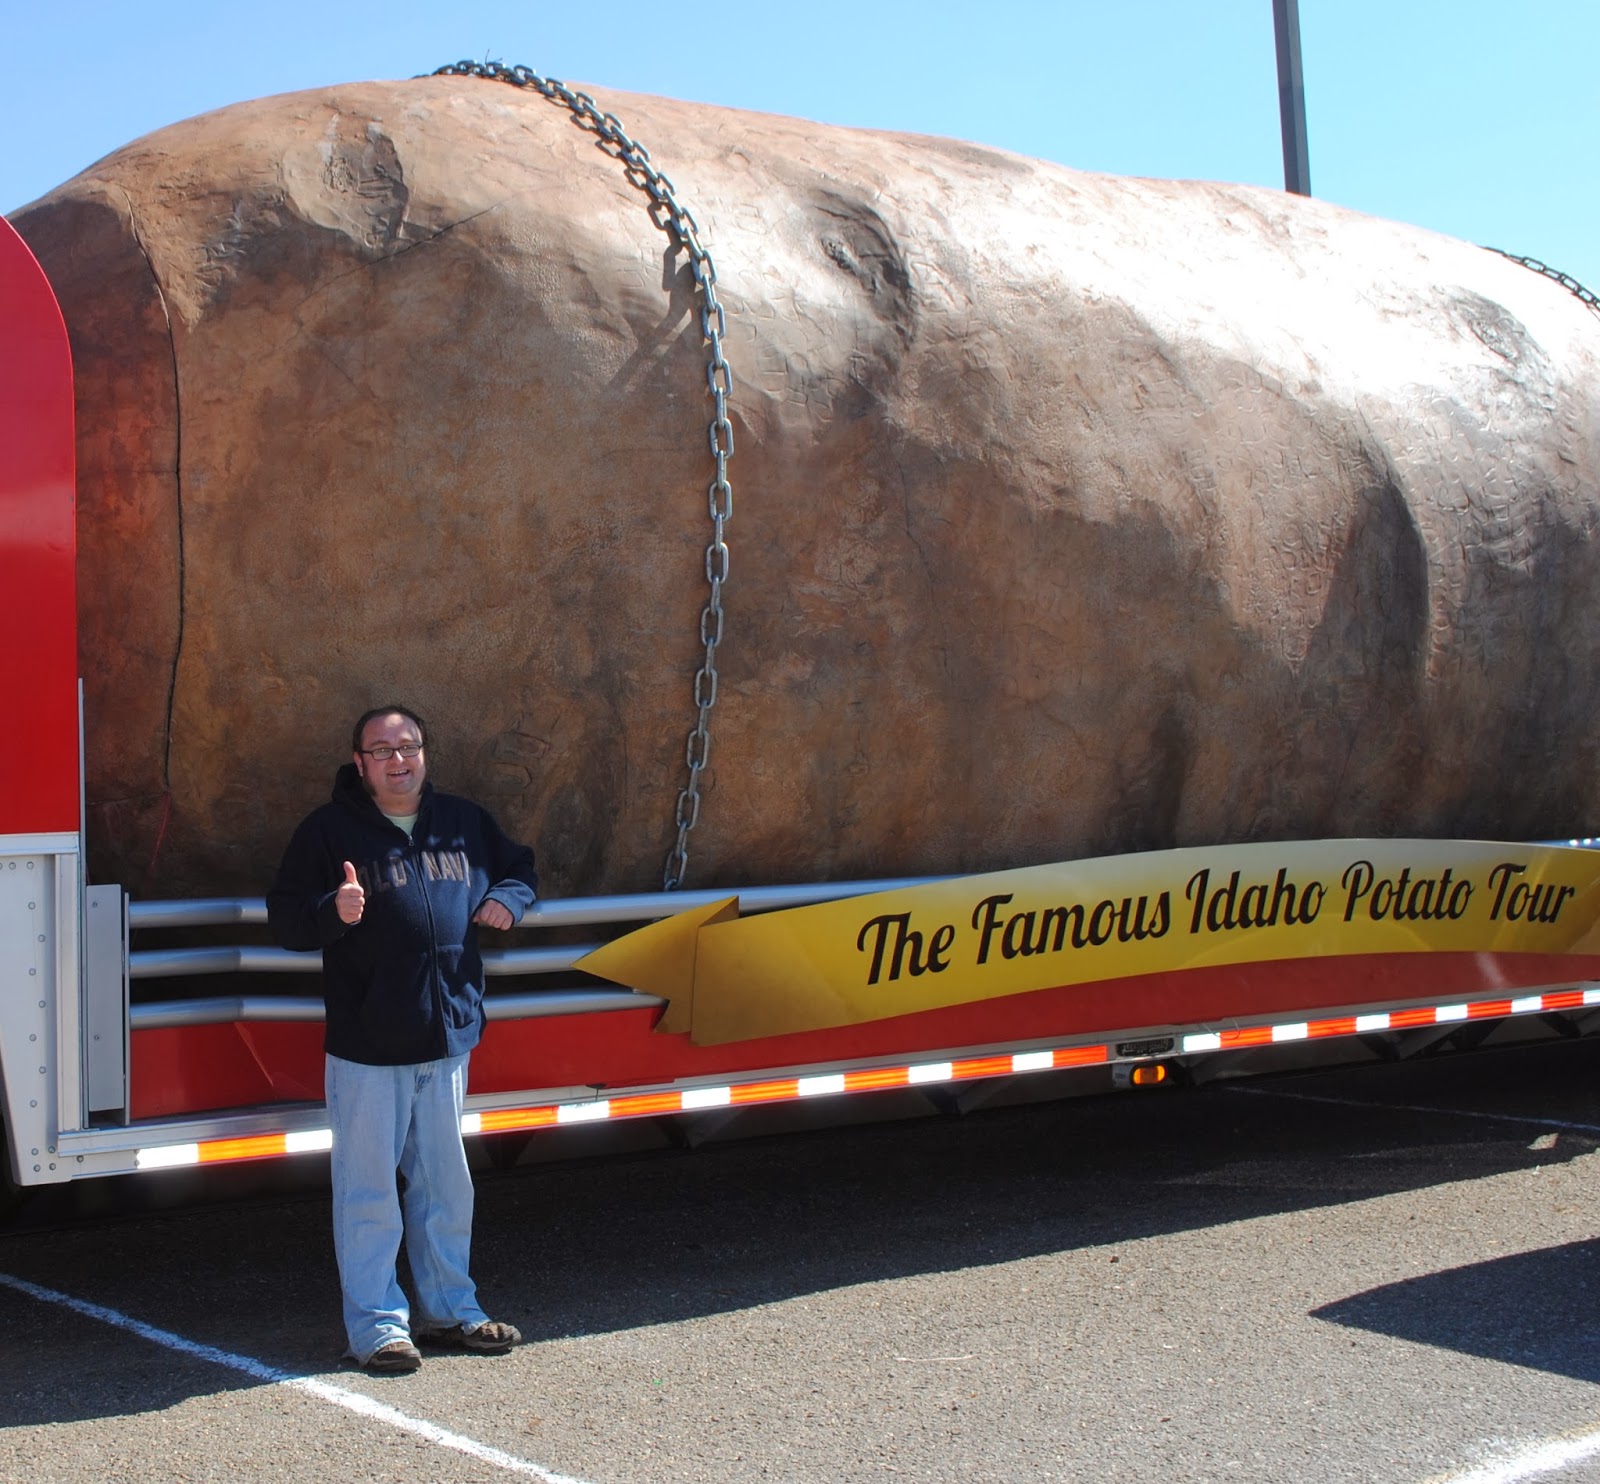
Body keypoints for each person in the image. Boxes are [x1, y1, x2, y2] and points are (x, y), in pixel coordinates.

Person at [267, 704, 539, 1374]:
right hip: (369, 1046)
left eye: (408, 746)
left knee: (447, 1188)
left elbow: (520, 866)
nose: (398, 759)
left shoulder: (464, 823)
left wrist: (510, 896)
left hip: (446, 1042)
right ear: (359, 763)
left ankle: (452, 1310)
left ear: (425, 754)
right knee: (368, 1193)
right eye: (381, 749)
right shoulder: (329, 831)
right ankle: (378, 1328)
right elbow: (286, 917)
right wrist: (332, 912)